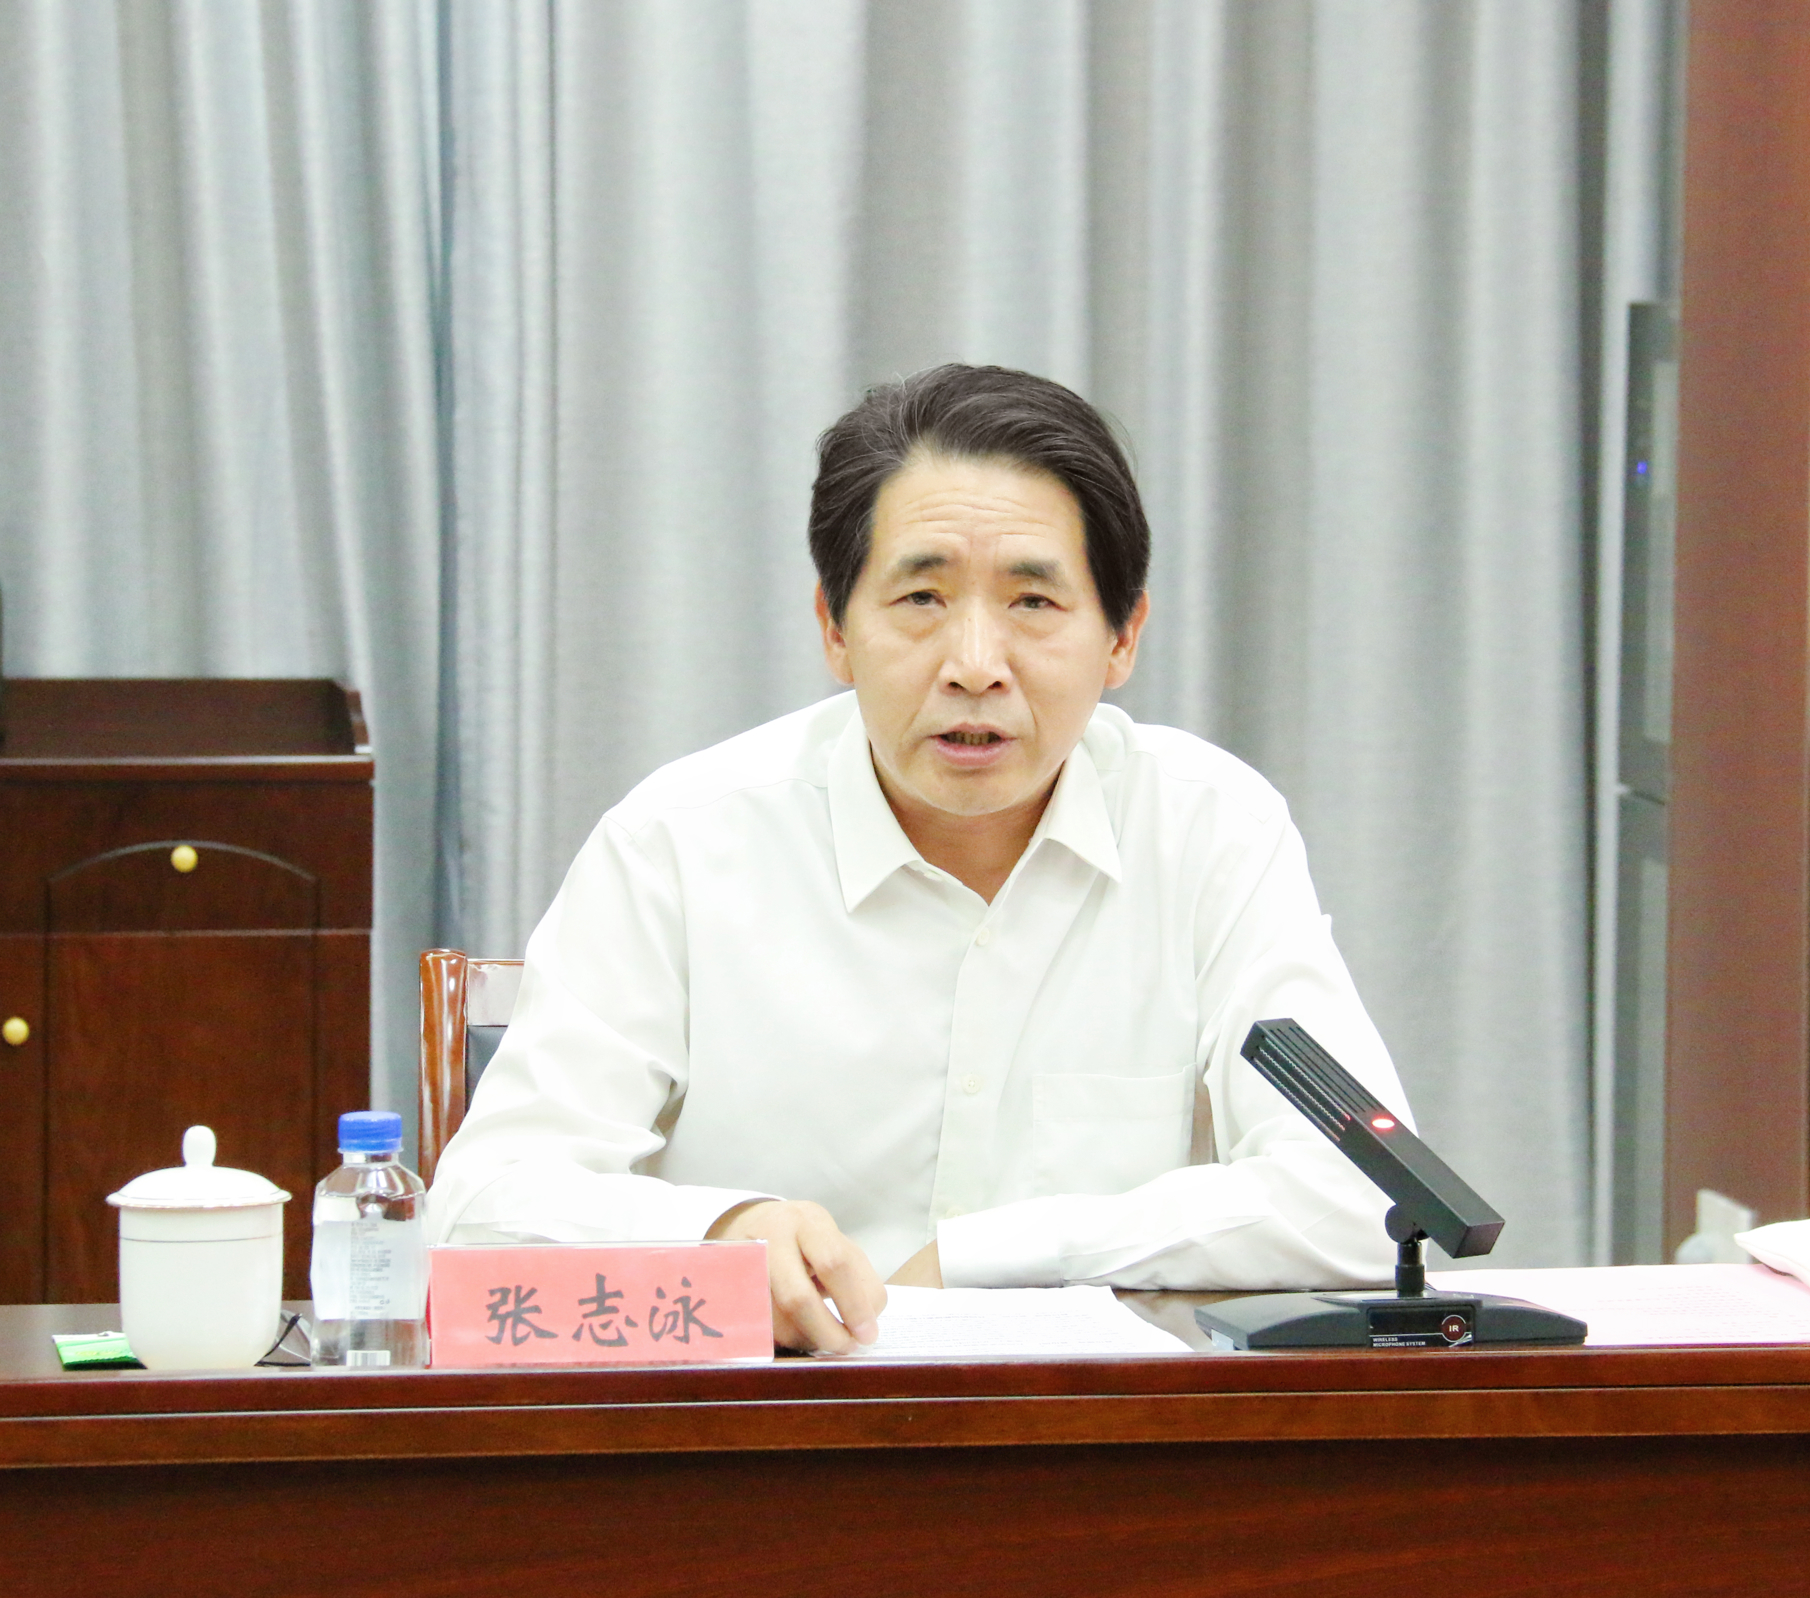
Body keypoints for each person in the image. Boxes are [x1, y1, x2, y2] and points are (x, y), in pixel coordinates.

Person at [427, 363, 1414, 1352]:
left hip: (1095, 1432)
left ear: (1123, 637)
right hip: (775, 1425)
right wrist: (718, 1234)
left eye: (1033, 602)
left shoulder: (1209, 832)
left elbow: (1371, 1198)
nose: (975, 664)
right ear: (834, 628)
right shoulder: (678, 844)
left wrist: (999, 1252)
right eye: (921, 596)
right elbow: (475, 1211)